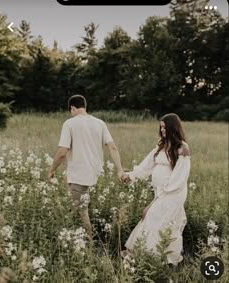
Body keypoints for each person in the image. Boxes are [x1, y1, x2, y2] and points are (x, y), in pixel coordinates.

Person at [48, 94, 125, 240]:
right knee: (73, 196)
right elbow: (112, 147)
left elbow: (62, 152)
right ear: (85, 107)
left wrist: (51, 169)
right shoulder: (100, 123)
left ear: (72, 108)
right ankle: (76, 232)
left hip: (79, 174)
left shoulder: (69, 124)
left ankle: (89, 244)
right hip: (92, 173)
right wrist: (119, 169)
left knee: (82, 213)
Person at [121, 113, 191, 265]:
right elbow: (146, 166)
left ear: (173, 127)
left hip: (173, 192)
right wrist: (130, 175)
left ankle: (152, 257)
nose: (162, 130)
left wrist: (157, 199)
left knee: (153, 217)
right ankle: (156, 258)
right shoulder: (161, 146)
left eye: (164, 127)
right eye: (161, 127)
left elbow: (179, 177)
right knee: (163, 222)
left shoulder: (182, 148)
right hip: (161, 193)